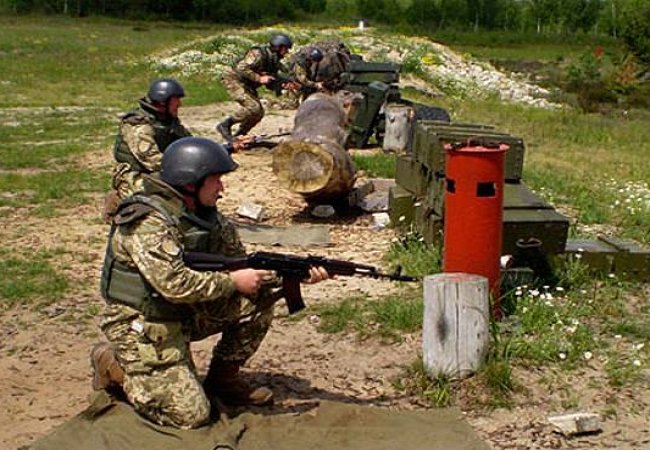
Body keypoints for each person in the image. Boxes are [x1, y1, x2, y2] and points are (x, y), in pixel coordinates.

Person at [92, 136, 328, 429]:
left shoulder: (208, 218)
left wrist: (292, 275)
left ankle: (222, 381)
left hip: (182, 312)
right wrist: (232, 282)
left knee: (260, 298)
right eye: (215, 180)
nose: (222, 188)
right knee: (191, 416)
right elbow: (174, 284)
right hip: (141, 323)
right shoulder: (148, 222)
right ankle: (112, 364)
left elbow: (242, 266)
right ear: (191, 183)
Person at [216, 33, 297, 142]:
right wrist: (259, 78)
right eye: (286, 49)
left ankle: (241, 134)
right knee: (253, 107)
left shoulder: (273, 60)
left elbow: (271, 80)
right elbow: (241, 68)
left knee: (258, 113)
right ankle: (225, 125)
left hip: (246, 83)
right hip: (234, 80)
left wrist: (281, 85)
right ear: (278, 47)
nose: (287, 52)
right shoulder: (258, 53)